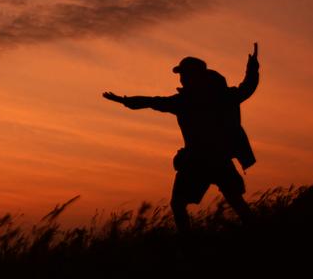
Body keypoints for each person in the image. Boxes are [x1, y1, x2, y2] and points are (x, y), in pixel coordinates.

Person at [102, 43, 260, 232]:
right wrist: (252, 68)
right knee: (233, 201)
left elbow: (154, 102)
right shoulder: (220, 96)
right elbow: (247, 87)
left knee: (179, 204)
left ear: (195, 76)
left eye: (184, 74)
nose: (181, 78)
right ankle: (256, 233)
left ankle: (189, 244)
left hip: (199, 161)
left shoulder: (187, 100)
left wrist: (124, 101)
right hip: (214, 160)